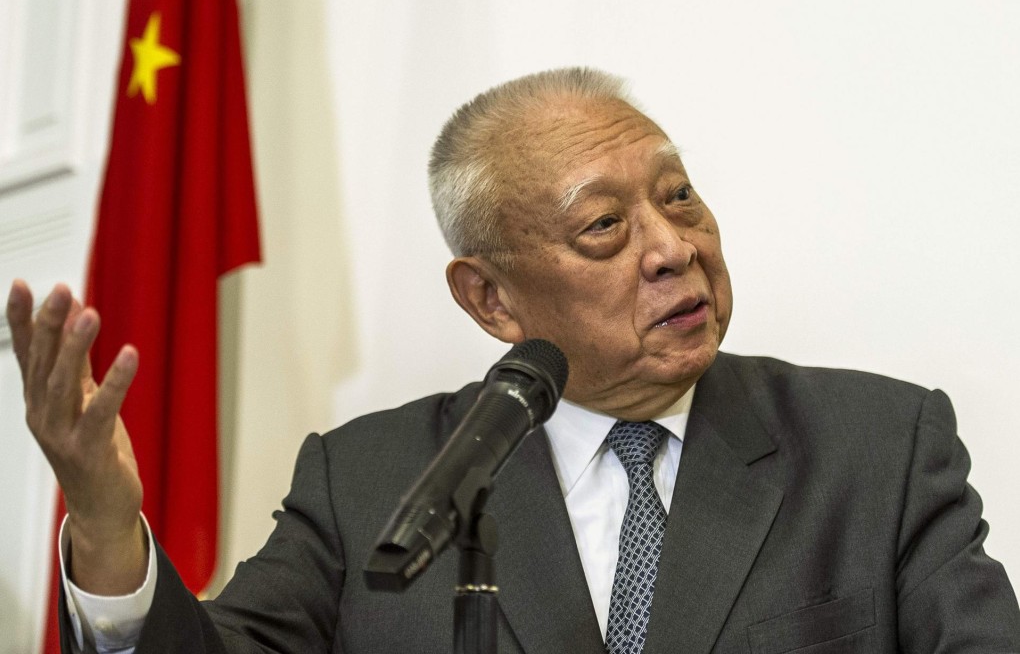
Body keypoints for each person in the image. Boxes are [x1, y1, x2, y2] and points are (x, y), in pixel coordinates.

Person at [7, 67, 1020, 653]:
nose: (672, 245)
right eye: (604, 226)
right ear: (490, 297)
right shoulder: (368, 482)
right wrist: (102, 518)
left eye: (678, 196)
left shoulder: (878, 448)